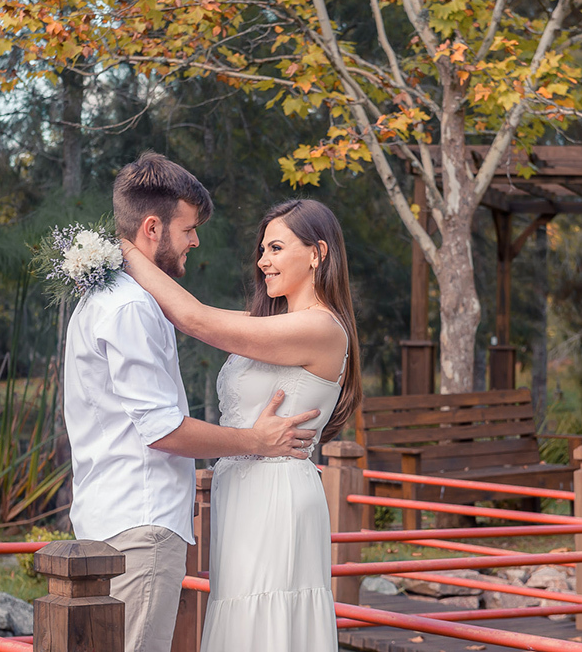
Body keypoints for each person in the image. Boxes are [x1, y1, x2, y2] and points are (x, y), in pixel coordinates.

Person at [63, 152, 322, 652]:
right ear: (153, 228)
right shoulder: (133, 307)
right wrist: (255, 441)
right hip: (141, 525)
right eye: (188, 230)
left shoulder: (101, 296)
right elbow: (162, 429)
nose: (196, 241)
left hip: (104, 517)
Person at [121, 198, 361, 652]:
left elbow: (196, 319)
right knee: (240, 620)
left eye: (274, 248)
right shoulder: (271, 323)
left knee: (267, 621)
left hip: (278, 495)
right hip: (240, 495)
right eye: (262, 249)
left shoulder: (323, 329)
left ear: (317, 253)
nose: (262, 261)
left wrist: (121, 249)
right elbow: (183, 312)